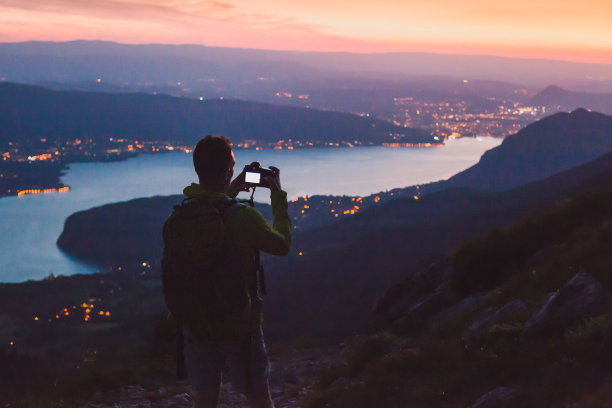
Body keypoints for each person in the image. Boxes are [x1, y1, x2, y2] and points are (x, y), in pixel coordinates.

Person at [180, 135, 291, 408]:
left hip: (196, 319)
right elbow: (282, 244)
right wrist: (277, 195)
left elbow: (211, 212)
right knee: (257, 397)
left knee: (204, 400)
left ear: (198, 169)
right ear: (229, 170)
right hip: (240, 322)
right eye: (232, 164)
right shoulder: (244, 218)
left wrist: (231, 188)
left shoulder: (181, 216)